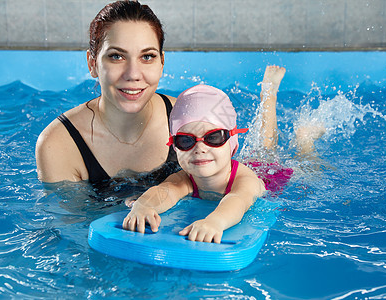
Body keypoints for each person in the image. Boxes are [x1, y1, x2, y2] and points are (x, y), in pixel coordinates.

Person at [122, 66, 319, 243]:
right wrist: (144, 206)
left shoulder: (245, 182)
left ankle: (303, 136)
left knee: (300, 162)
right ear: (174, 145)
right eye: (186, 140)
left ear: (231, 142)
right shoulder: (185, 178)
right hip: (239, 165)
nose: (200, 148)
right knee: (264, 148)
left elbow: (237, 201)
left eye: (213, 138)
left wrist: (214, 221)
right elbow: (165, 191)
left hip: (270, 175)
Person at [36, 1, 180, 190]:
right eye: (116, 56)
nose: (133, 74)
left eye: (147, 57)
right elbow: (70, 219)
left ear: (161, 63)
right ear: (92, 64)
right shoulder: (59, 145)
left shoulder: (187, 120)